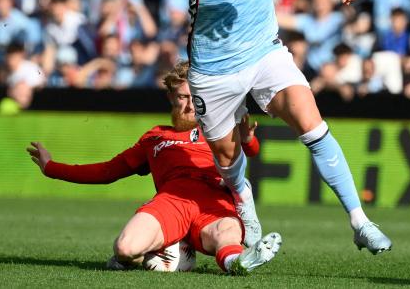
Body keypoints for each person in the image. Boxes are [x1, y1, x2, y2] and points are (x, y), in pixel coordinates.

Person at [179, 0, 391, 254]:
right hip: (214, 68)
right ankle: (245, 204)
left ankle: (360, 220)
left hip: (264, 52)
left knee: (310, 119)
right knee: (227, 156)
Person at [26, 61, 281, 275]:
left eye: (195, 98)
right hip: (172, 201)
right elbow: (107, 172)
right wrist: (52, 167)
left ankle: (237, 263)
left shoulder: (218, 128)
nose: (190, 106)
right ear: (171, 97)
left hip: (213, 199)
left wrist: (247, 139)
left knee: (226, 232)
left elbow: (251, 151)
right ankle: (149, 254)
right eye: (183, 97)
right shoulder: (155, 138)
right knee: (126, 248)